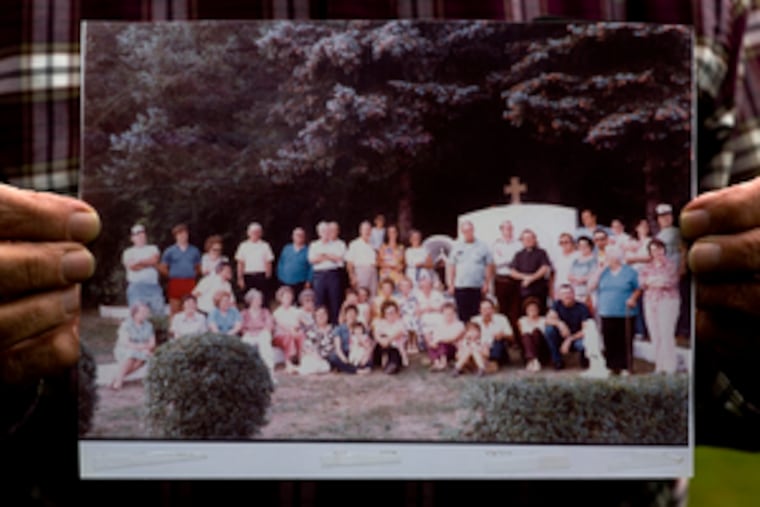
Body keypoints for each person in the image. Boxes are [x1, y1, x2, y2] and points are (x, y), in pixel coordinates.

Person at [588, 247, 641, 375]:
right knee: (609, 339)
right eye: (607, 257)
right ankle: (612, 366)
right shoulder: (602, 272)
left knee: (625, 339)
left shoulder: (630, 272)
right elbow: (591, 286)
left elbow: (638, 288)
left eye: (609, 257)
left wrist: (633, 299)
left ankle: (625, 366)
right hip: (606, 310)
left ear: (617, 258)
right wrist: (600, 269)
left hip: (625, 311)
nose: (607, 259)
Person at [638, 238, 680, 373]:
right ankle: (659, 365)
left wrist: (653, 281)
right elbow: (642, 283)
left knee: (666, 333)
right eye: (653, 250)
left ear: (663, 249)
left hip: (667, 301)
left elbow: (669, 282)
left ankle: (670, 366)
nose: (656, 252)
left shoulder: (671, 265)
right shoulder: (647, 267)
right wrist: (656, 281)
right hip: (650, 301)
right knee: (654, 333)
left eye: (658, 249)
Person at [446, 220, 494, 322]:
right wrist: (450, 284)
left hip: (477, 287)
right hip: (460, 287)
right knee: (462, 314)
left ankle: (477, 336)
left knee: (477, 315)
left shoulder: (483, 246)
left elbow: (489, 265)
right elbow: (451, 266)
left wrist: (487, 283)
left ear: (473, 230)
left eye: (470, 230)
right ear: (462, 232)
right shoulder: (457, 247)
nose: (468, 233)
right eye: (465, 231)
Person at [544, 285, 592, 371]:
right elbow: (547, 320)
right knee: (549, 330)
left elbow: (586, 329)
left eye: (569, 293)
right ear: (559, 296)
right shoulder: (557, 305)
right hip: (562, 336)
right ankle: (557, 361)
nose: (567, 296)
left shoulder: (582, 307)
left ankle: (585, 359)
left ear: (574, 294)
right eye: (564, 294)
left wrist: (570, 339)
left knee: (583, 342)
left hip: (577, 338)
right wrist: (560, 324)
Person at [121, 223, 165, 317]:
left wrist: (139, 262)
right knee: (137, 315)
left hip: (153, 286)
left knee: (159, 313)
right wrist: (149, 264)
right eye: (137, 234)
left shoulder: (153, 248)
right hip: (136, 287)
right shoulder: (128, 252)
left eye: (142, 234)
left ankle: (157, 331)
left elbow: (154, 260)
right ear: (132, 238)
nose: (140, 236)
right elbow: (133, 268)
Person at [308, 221, 346, 324]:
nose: (325, 233)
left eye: (327, 231)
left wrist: (324, 256)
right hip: (319, 275)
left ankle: (334, 325)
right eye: (323, 231)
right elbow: (312, 260)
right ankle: (319, 324)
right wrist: (329, 256)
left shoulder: (336, 244)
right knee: (319, 301)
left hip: (333, 274)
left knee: (335, 300)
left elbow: (339, 258)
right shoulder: (314, 244)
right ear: (319, 232)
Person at [111, 302, 155, 390]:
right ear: (135, 313)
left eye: (146, 312)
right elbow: (126, 343)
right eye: (142, 312)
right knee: (131, 355)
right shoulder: (126, 324)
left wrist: (142, 348)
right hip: (124, 349)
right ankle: (118, 382)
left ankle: (117, 378)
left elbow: (152, 343)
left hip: (141, 350)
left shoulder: (149, 326)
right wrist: (142, 347)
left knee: (141, 360)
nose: (145, 314)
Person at [159, 223, 201, 316]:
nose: (183, 236)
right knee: (175, 308)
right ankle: (173, 329)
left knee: (190, 306)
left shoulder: (194, 250)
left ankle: (191, 329)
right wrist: (170, 275)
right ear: (175, 236)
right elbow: (162, 267)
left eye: (185, 234)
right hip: (175, 282)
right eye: (180, 234)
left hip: (190, 282)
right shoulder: (169, 251)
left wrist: (192, 274)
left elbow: (198, 267)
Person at [509, 228, 552, 314]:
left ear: (534, 239)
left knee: (540, 313)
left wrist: (532, 278)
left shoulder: (541, 252)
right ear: (522, 241)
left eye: (530, 238)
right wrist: (525, 277)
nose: (528, 240)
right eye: (525, 239)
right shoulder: (519, 254)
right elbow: (512, 272)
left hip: (539, 290)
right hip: (523, 291)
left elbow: (545, 268)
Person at [491, 219, 522, 334]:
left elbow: (518, 261)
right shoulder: (496, 244)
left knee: (515, 310)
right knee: (502, 310)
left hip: (515, 280)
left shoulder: (518, 244)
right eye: (505, 228)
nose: (508, 230)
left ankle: (515, 337)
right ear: (501, 230)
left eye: (510, 228)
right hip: (501, 280)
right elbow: (497, 262)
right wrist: (510, 260)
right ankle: (504, 335)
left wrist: (506, 260)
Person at [235, 222, 275, 307]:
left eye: (257, 232)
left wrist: (267, 276)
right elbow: (240, 263)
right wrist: (240, 278)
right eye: (253, 232)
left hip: (261, 275)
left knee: (263, 299)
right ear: (248, 233)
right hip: (248, 275)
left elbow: (268, 262)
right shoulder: (243, 246)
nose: (255, 234)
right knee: (248, 299)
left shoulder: (265, 245)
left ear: (260, 233)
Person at [240, 288, 276, 380]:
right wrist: (249, 332)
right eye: (257, 299)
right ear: (250, 301)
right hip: (249, 333)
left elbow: (269, 325)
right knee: (246, 342)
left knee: (265, 341)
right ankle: (247, 371)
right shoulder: (244, 313)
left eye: (260, 299)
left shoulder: (265, 312)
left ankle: (269, 371)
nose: (259, 301)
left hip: (262, 333)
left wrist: (262, 331)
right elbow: (242, 327)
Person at [471, 297, 514, 367]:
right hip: (481, 347)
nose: (487, 311)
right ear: (480, 310)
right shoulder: (474, 320)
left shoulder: (502, 319)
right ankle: (483, 363)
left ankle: (493, 361)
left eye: (489, 308)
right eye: (484, 309)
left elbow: (512, 337)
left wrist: (503, 335)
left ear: (493, 309)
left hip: (496, 348)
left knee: (498, 341)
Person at [272, 285, 305, 373]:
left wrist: (294, 330)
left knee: (301, 334)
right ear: (280, 298)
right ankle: (288, 363)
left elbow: (298, 323)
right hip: (279, 336)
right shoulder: (277, 312)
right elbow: (282, 325)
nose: (288, 299)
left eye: (290, 297)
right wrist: (292, 331)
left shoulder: (296, 310)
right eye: (286, 297)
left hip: (293, 332)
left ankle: (301, 359)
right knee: (288, 336)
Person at [276, 226, 312, 301]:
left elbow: (311, 267)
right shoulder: (286, 248)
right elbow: (281, 263)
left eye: (301, 235)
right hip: (285, 280)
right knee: (286, 301)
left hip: (300, 282)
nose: (299, 237)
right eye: (297, 235)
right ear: (293, 236)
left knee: (299, 302)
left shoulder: (308, 250)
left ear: (304, 237)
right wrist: (280, 275)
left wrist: (309, 281)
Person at [426, 301, 465, 372]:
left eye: (451, 314)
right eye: (446, 314)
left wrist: (439, 340)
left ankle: (443, 363)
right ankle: (437, 363)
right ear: (443, 314)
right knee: (431, 346)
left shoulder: (459, 325)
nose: (449, 316)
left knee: (442, 344)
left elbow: (453, 339)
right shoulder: (440, 325)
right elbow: (436, 336)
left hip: (453, 348)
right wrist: (433, 343)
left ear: (455, 314)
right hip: (441, 348)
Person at [294, 306, 332, 375]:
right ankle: (300, 369)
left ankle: (297, 369)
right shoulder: (311, 330)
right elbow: (307, 346)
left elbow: (330, 346)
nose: (321, 317)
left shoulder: (332, 330)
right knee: (311, 363)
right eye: (319, 315)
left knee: (325, 367)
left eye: (323, 314)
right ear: (315, 317)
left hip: (323, 358)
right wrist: (314, 354)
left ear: (327, 316)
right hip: (311, 356)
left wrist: (321, 356)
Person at [371, 300, 406, 373]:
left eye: (393, 312)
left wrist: (387, 341)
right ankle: (384, 360)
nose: (391, 315)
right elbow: (376, 334)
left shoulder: (400, 323)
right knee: (382, 337)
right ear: (384, 314)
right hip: (381, 348)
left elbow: (398, 333)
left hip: (395, 349)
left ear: (397, 312)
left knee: (393, 349)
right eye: (388, 313)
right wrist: (382, 341)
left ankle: (391, 364)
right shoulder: (380, 322)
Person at [345, 220, 378, 296]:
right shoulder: (354, 244)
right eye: (365, 229)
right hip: (360, 271)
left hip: (373, 271)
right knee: (361, 294)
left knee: (373, 294)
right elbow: (349, 263)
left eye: (369, 230)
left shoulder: (373, 244)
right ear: (360, 231)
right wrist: (352, 277)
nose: (367, 232)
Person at [518, 298, 546, 373]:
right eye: (530, 309)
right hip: (527, 347)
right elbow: (522, 334)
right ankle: (534, 360)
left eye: (534, 309)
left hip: (541, 347)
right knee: (526, 336)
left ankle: (532, 360)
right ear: (526, 310)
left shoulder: (543, 320)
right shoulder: (522, 320)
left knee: (536, 332)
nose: (532, 311)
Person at [550, 232, 578, 301]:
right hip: (559, 291)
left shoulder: (578, 255)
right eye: (561, 243)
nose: (564, 245)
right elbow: (553, 275)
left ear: (572, 243)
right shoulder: (557, 257)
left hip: (575, 290)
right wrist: (551, 291)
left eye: (566, 242)